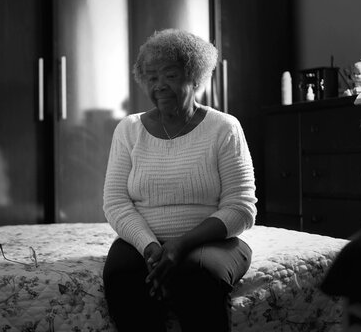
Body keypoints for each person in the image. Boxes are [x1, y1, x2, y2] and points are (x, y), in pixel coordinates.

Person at [102, 29, 257, 332]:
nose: (159, 86)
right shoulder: (128, 130)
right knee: (122, 276)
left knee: (198, 276)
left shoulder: (224, 128)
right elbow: (116, 202)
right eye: (150, 77)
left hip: (210, 241)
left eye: (170, 75)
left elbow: (241, 207)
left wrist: (180, 245)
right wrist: (149, 247)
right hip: (142, 241)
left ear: (195, 76)